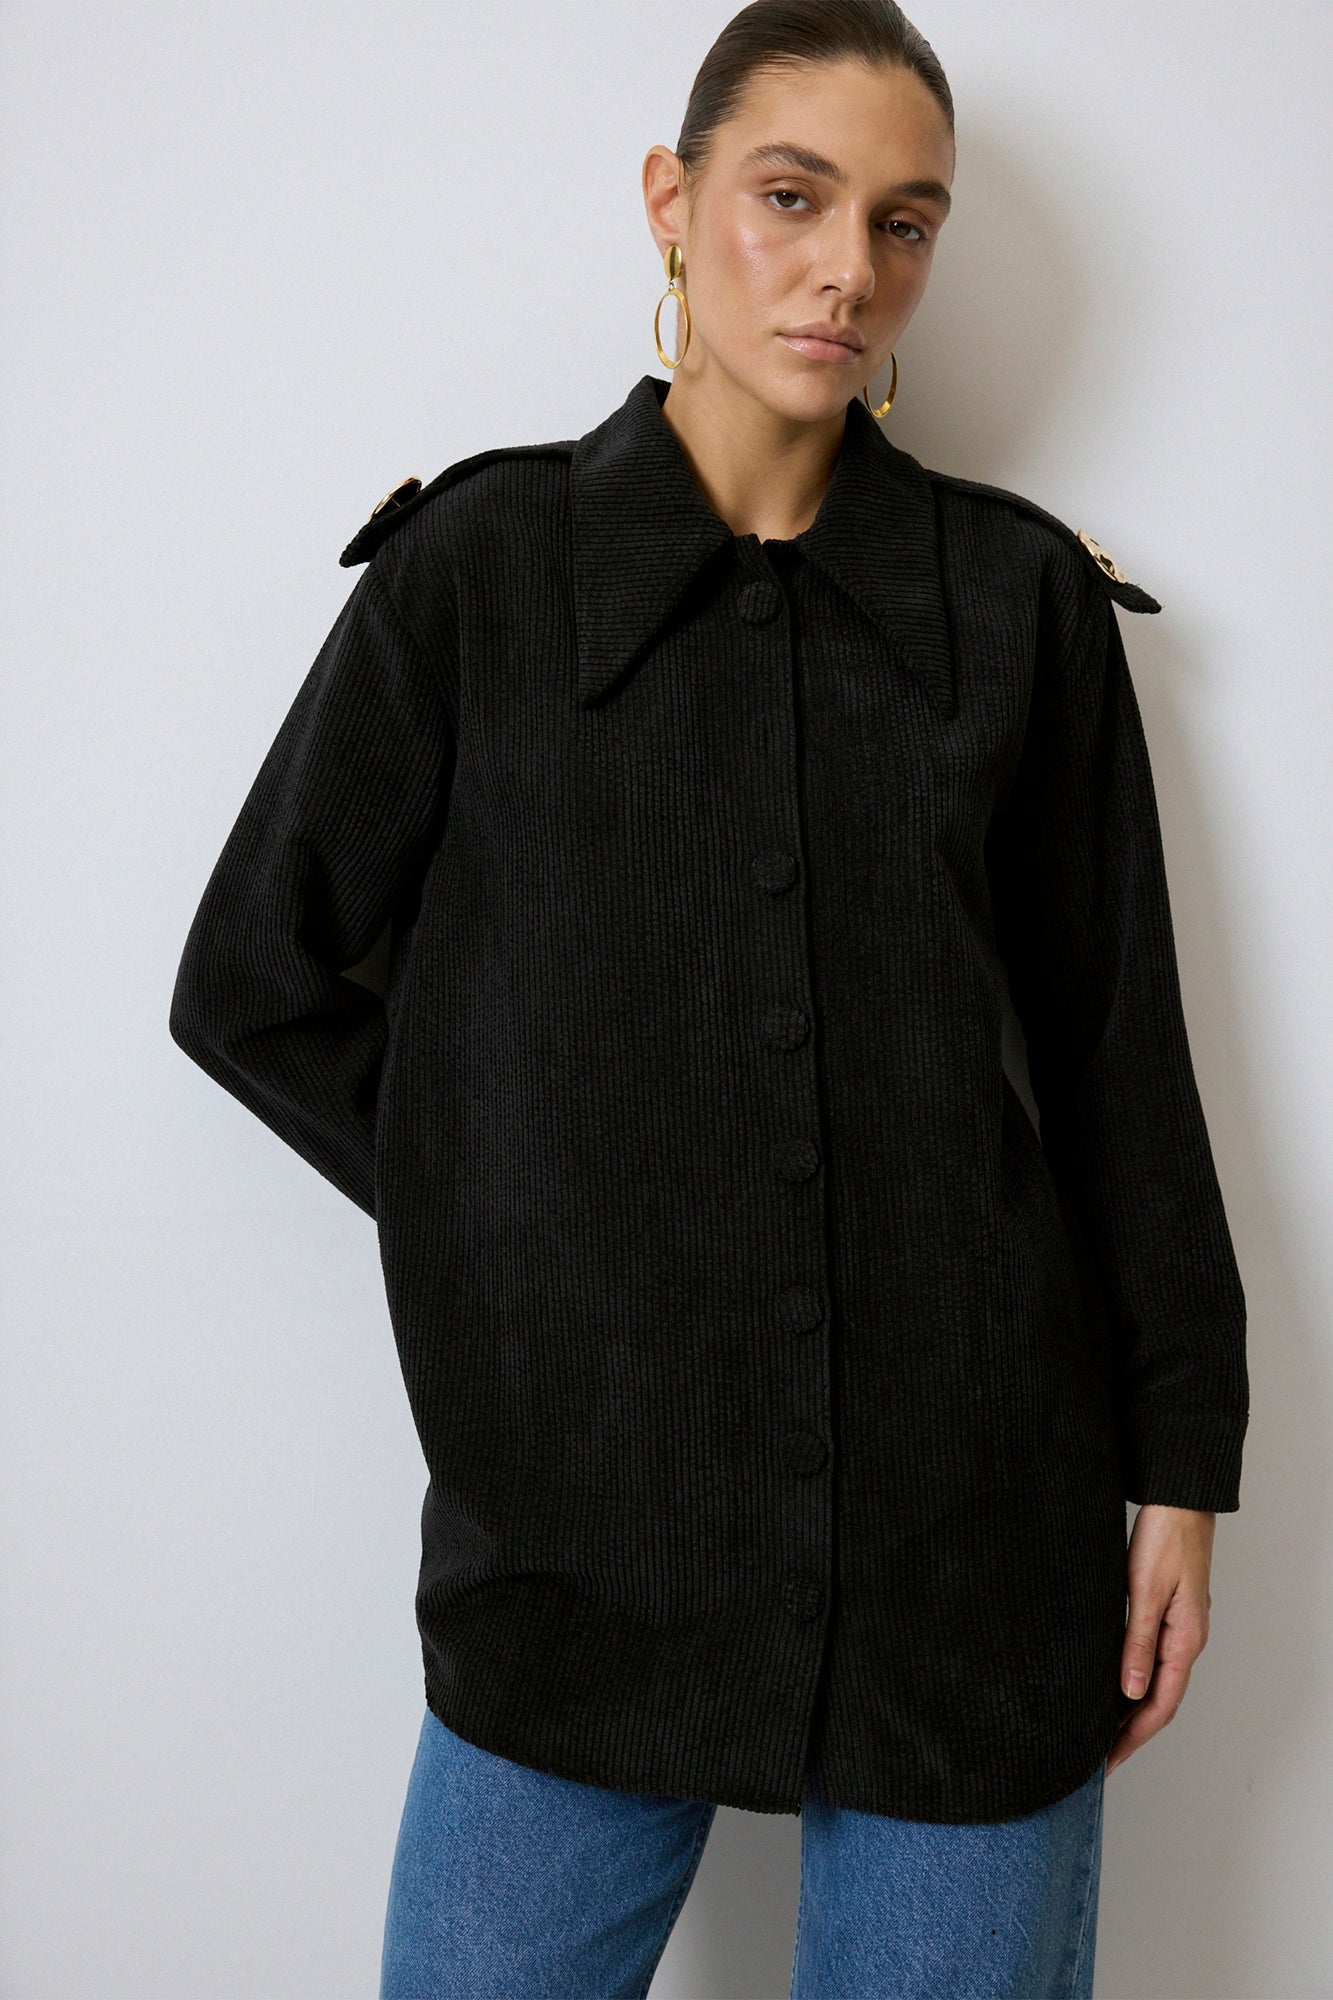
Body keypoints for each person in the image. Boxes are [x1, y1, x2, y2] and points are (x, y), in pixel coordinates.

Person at [168, 2, 1249, 1994]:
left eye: (903, 222)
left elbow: (1118, 1066)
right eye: (790, 196)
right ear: (672, 202)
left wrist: (1181, 1464)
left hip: (973, 1550)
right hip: (579, 1541)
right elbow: (253, 983)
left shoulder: (1016, 606)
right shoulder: (476, 576)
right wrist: (516, 1214)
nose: (848, 268)